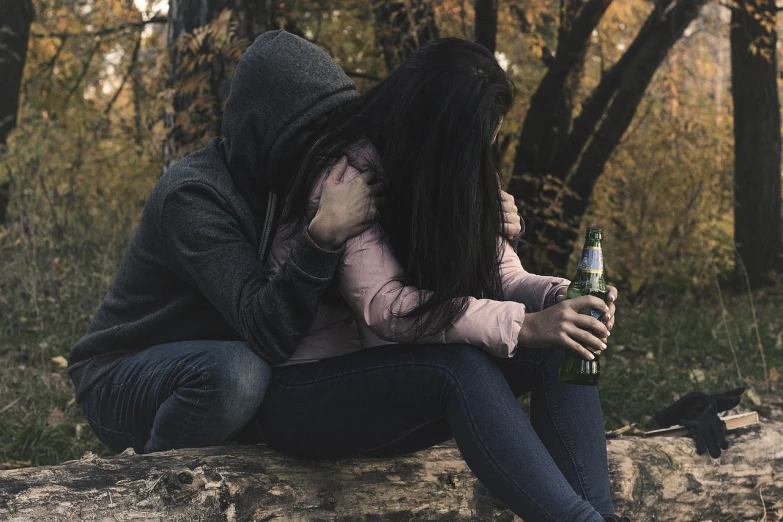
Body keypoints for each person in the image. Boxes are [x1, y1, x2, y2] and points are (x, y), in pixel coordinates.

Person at [67, 31, 523, 456]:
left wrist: (481, 221)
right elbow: (267, 332)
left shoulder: (314, 177)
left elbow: (397, 272)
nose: (330, 144)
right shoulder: (192, 197)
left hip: (237, 369)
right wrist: (321, 238)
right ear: (267, 130)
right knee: (237, 374)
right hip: (125, 376)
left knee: (247, 377)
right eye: (312, 129)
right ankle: (156, 492)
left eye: (339, 124)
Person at [251, 38, 628, 522]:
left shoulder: (459, 168)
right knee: (460, 368)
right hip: (308, 396)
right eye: (477, 142)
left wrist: (561, 298)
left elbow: (505, 273)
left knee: (563, 343)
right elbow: (386, 307)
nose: (483, 154)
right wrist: (525, 325)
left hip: (403, 387)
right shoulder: (348, 176)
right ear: (440, 132)